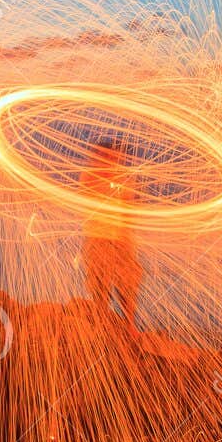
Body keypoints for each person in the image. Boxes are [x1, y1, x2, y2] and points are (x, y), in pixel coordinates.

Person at [80, 138, 142, 330]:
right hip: (98, 237)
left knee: (127, 284)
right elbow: (87, 194)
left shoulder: (125, 179)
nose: (113, 160)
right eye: (106, 156)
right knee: (100, 283)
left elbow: (130, 207)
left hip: (121, 238)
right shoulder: (90, 175)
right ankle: (100, 323)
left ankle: (130, 326)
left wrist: (127, 233)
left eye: (116, 157)